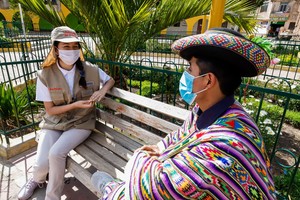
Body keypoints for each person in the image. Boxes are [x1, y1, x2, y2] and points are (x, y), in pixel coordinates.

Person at [91, 27, 277, 200]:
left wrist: (140, 157)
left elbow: (156, 188)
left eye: (190, 68)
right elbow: (178, 137)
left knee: (117, 189)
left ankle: (109, 188)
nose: (185, 74)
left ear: (207, 81)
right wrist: (160, 148)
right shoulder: (208, 110)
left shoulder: (225, 145)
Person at [18, 26, 115, 200]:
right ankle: (37, 179)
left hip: (81, 122)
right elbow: (50, 110)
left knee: (56, 153)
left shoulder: (90, 69)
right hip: (54, 122)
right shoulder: (45, 75)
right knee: (41, 165)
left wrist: (102, 91)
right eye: (66, 46)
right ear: (56, 49)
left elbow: (110, 80)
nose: (72, 51)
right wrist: (75, 104)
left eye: (75, 46)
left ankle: (51, 197)